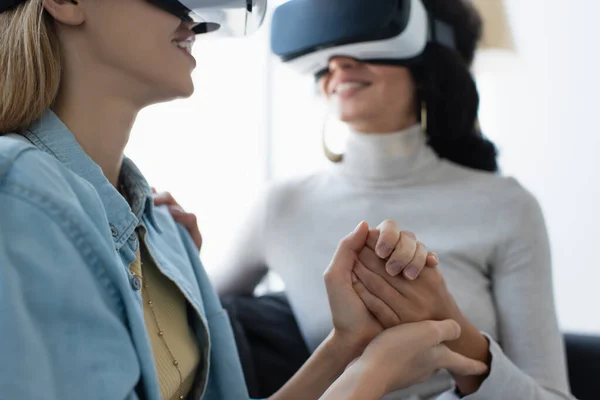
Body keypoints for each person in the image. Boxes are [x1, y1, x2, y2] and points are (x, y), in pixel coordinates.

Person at [0, 0, 487, 399]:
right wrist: (368, 379)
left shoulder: (167, 234)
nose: (197, 18)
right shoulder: (19, 199)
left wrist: (346, 346)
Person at [204, 0, 574, 399]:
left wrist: (449, 324)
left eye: (365, 42)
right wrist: (168, 247)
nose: (341, 63)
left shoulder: (506, 206)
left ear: (426, 59)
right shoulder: (282, 206)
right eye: (329, 55)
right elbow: (183, 319)